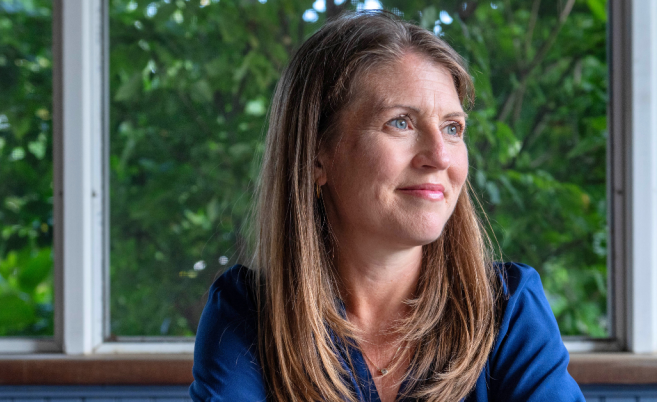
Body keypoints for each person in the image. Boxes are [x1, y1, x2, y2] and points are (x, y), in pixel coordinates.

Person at [189, 10, 584, 402]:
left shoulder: (508, 308)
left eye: (452, 128)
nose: (440, 157)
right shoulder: (247, 315)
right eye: (401, 122)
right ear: (316, 156)